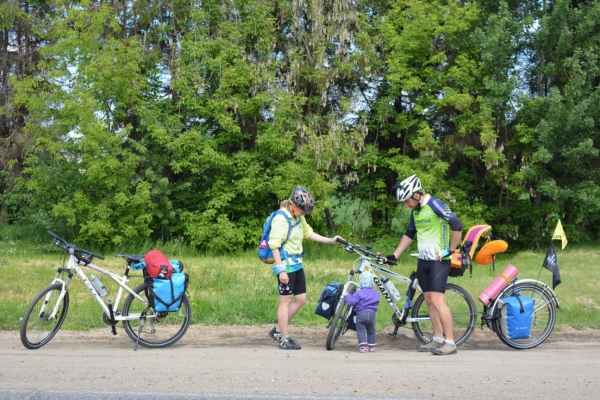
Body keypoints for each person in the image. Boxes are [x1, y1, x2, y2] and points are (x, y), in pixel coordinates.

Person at [385, 174, 463, 355]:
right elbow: (409, 234)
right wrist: (395, 256)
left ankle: (450, 342)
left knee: (437, 300)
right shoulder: (416, 211)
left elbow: (457, 225)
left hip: (439, 262)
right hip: (424, 261)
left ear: (416, 195)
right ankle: (437, 338)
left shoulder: (435, 205)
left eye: (406, 201)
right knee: (428, 300)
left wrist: (450, 250)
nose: (406, 205)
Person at [267, 186, 344, 350]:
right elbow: (274, 245)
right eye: (302, 210)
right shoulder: (281, 218)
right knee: (285, 301)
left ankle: (278, 330)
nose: (304, 214)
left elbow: (308, 234)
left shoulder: (297, 217)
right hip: (286, 266)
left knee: (301, 299)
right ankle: (284, 338)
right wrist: (280, 270)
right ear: (293, 204)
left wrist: (331, 240)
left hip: (297, 264)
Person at [343, 270, 380, 353]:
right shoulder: (376, 293)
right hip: (371, 314)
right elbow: (377, 301)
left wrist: (347, 295)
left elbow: (352, 302)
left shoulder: (359, 293)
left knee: (361, 331)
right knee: (371, 331)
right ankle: (372, 347)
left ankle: (363, 347)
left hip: (361, 314)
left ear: (360, 282)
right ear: (372, 283)